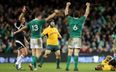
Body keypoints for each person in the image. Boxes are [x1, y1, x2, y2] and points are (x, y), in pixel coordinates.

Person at [64, 2, 90, 71]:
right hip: (78, 38)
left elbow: (66, 13)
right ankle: (75, 67)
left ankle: (67, 67)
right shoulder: (81, 20)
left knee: (69, 53)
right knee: (76, 53)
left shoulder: (70, 19)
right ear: (79, 16)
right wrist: (88, 6)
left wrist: (67, 5)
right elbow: (86, 13)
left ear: (73, 15)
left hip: (71, 38)